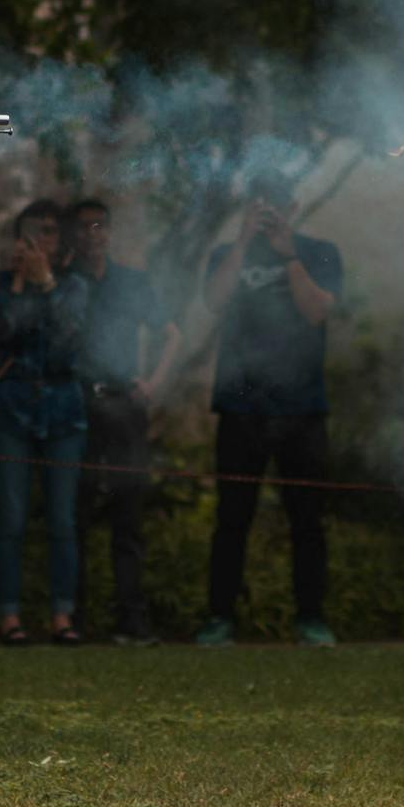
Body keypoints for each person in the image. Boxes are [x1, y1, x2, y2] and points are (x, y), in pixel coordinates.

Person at [164, 170, 345, 646]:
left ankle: (311, 619)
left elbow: (318, 312)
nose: (270, 215)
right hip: (241, 406)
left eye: (278, 206)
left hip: (303, 407)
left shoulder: (321, 251)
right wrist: (243, 242)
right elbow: (212, 301)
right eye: (261, 207)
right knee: (232, 520)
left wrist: (288, 255)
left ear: (294, 208)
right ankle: (220, 618)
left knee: (307, 521)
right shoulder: (228, 254)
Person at [0, 198, 93, 644]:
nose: (39, 240)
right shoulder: (0, 284)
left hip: (64, 408)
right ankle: (9, 616)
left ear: (60, 241)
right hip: (13, 407)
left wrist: (46, 286)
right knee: (11, 519)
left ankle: (62, 616)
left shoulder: (76, 286)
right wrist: (21, 284)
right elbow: (5, 333)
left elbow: (70, 343)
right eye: (31, 232)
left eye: (48, 232)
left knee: (62, 521)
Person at [66, 197, 175, 644]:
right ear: (73, 235)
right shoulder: (63, 282)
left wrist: (153, 382)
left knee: (127, 518)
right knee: (75, 516)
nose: (93, 235)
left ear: (109, 232)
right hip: (75, 407)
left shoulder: (132, 282)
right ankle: (73, 620)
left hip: (125, 407)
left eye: (100, 227)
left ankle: (131, 621)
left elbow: (172, 334)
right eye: (84, 227)